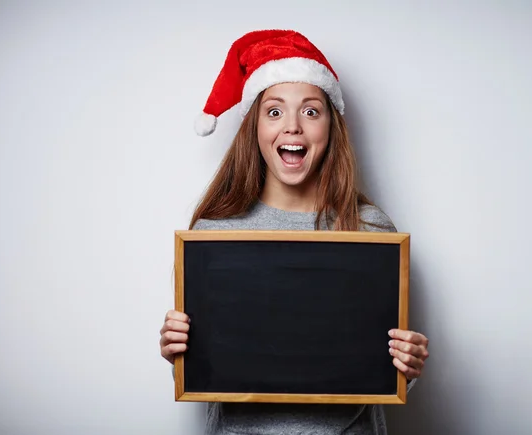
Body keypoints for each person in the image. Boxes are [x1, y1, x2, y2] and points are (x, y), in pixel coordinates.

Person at [159, 29, 430, 434]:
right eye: (274, 111)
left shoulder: (371, 230)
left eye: (310, 111)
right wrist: (179, 349)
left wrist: (406, 364)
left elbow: (381, 369)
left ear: (330, 127)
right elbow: (210, 368)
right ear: (254, 128)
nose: (292, 128)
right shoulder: (212, 236)